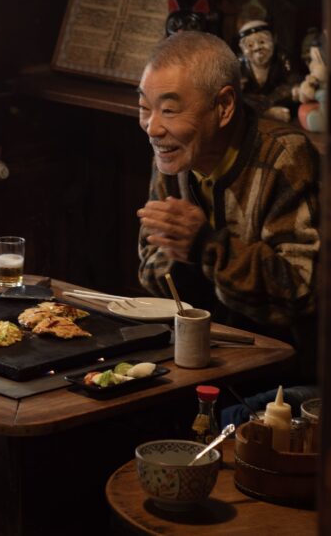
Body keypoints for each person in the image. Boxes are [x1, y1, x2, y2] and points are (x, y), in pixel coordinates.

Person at [136, 31, 320, 379]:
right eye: (145, 108)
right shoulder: (173, 150)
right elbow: (151, 270)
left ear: (223, 107)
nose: (152, 127)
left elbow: (298, 291)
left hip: (278, 370)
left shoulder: (284, 156)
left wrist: (207, 246)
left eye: (170, 109)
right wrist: (185, 255)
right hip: (196, 356)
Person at [236, 19, 300, 122]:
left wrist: (270, 100)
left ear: (274, 39)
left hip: (278, 101)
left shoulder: (283, 58)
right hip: (253, 103)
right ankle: (267, 114)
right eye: (250, 45)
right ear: (242, 48)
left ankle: (259, 113)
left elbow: (294, 82)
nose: (257, 48)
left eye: (262, 42)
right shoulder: (239, 64)